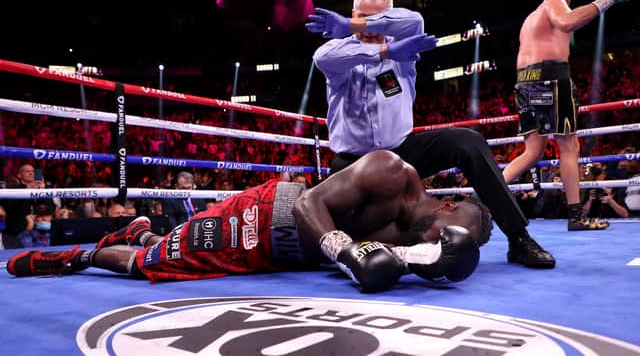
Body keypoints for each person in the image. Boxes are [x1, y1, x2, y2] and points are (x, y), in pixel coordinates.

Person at [307, 0, 555, 268]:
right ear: (352, 12)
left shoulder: (405, 50)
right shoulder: (339, 52)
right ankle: (380, 252)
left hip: (401, 154)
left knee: (468, 142)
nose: (370, 27)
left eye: (377, 18)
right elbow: (322, 57)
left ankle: (518, 238)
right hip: (353, 165)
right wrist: (384, 51)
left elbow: (414, 20)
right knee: (362, 231)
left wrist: (356, 24)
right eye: (362, 16)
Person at [7, 150, 490, 293]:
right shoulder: (388, 172)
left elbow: (386, 262)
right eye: (444, 238)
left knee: (162, 248)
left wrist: (432, 262)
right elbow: (308, 207)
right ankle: (82, 255)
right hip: (267, 217)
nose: (437, 246)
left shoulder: (412, 241)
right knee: (148, 264)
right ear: (447, 208)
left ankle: (144, 229)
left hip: (283, 258)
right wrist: (346, 251)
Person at [501, 0, 635, 231]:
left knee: (532, 152)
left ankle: (483, 198)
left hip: (525, 82)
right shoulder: (555, 2)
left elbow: (561, 31)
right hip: (550, 78)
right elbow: (567, 20)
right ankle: (576, 215)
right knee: (569, 144)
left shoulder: (530, 19)